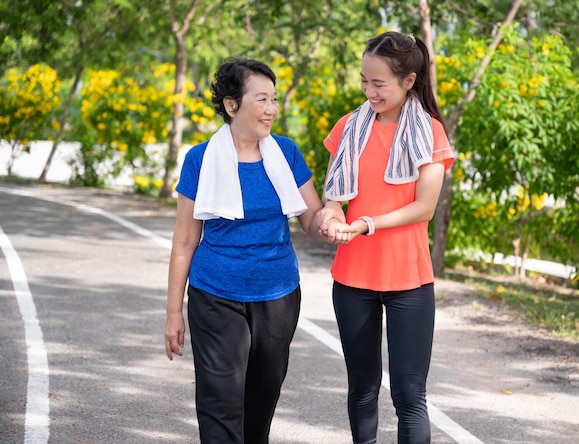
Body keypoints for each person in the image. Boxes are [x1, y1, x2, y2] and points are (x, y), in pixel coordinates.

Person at [164, 57, 343, 444]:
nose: (272, 109)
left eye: (274, 100)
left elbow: (310, 220)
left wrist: (330, 220)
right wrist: (173, 311)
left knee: (260, 403)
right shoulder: (200, 159)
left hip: (277, 296)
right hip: (215, 294)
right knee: (221, 400)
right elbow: (184, 242)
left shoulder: (287, 153)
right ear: (232, 105)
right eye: (262, 99)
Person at [321, 32, 455, 443]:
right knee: (362, 389)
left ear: (409, 81)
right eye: (364, 81)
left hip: (409, 282)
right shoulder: (348, 126)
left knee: (409, 395)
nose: (369, 91)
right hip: (352, 278)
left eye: (379, 84)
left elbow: (424, 208)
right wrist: (332, 215)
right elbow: (335, 196)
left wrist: (365, 224)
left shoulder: (429, 132)